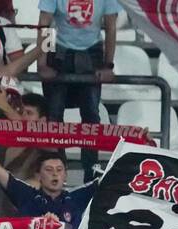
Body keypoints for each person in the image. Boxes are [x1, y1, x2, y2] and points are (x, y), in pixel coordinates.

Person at [36, 0, 118, 170]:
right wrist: (42, 64)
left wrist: (108, 65)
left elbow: (111, 27)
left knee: (91, 115)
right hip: (59, 49)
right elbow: (45, 25)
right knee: (54, 114)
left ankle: (91, 171)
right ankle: (56, 169)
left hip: (92, 50)